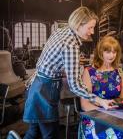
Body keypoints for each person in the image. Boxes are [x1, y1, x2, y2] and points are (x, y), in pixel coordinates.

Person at [23, 7, 107, 139]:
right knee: (51, 135)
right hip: (44, 92)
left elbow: (46, 60)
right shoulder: (71, 45)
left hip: (35, 85)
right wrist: (99, 100)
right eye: (90, 27)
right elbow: (74, 85)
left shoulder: (60, 31)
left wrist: (60, 71)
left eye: (93, 28)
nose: (92, 32)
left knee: (34, 132)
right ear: (79, 25)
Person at [80, 36, 123, 139]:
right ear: (100, 52)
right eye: (108, 52)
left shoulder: (119, 71)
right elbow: (85, 105)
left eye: (114, 52)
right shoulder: (89, 72)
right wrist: (106, 114)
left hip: (116, 114)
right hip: (95, 116)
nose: (112, 55)